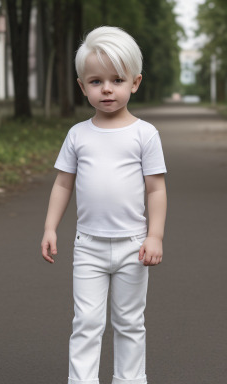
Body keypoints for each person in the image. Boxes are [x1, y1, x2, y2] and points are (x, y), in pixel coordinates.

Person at [41, 26, 167, 384]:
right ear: (83, 87)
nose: (107, 89)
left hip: (133, 246)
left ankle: (130, 379)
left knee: (129, 321)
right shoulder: (78, 134)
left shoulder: (145, 134)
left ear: (135, 82)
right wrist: (51, 227)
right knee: (86, 322)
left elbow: (156, 189)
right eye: (96, 81)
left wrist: (154, 235)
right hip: (89, 247)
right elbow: (63, 183)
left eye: (117, 79)